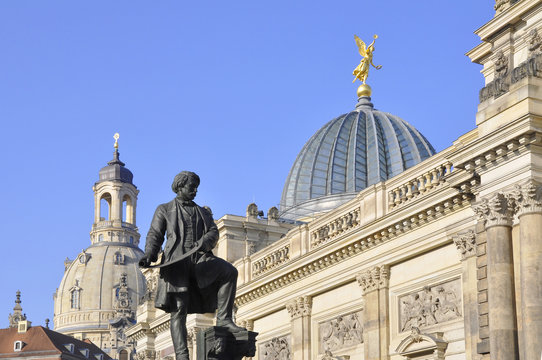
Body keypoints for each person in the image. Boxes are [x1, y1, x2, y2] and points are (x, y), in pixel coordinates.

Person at [139, 171, 245, 360]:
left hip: (199, 259)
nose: (195, 190)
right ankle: (182, 354)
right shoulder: (164, 209)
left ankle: (224, 319)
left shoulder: (202, 212)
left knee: (229, 272)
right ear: (180, 187)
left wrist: (206, 241)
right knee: (179, 308)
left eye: (196, 187)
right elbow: (155, 234)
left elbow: (213, 231)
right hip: (176, 262)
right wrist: (149, 255)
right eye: (191, 187)